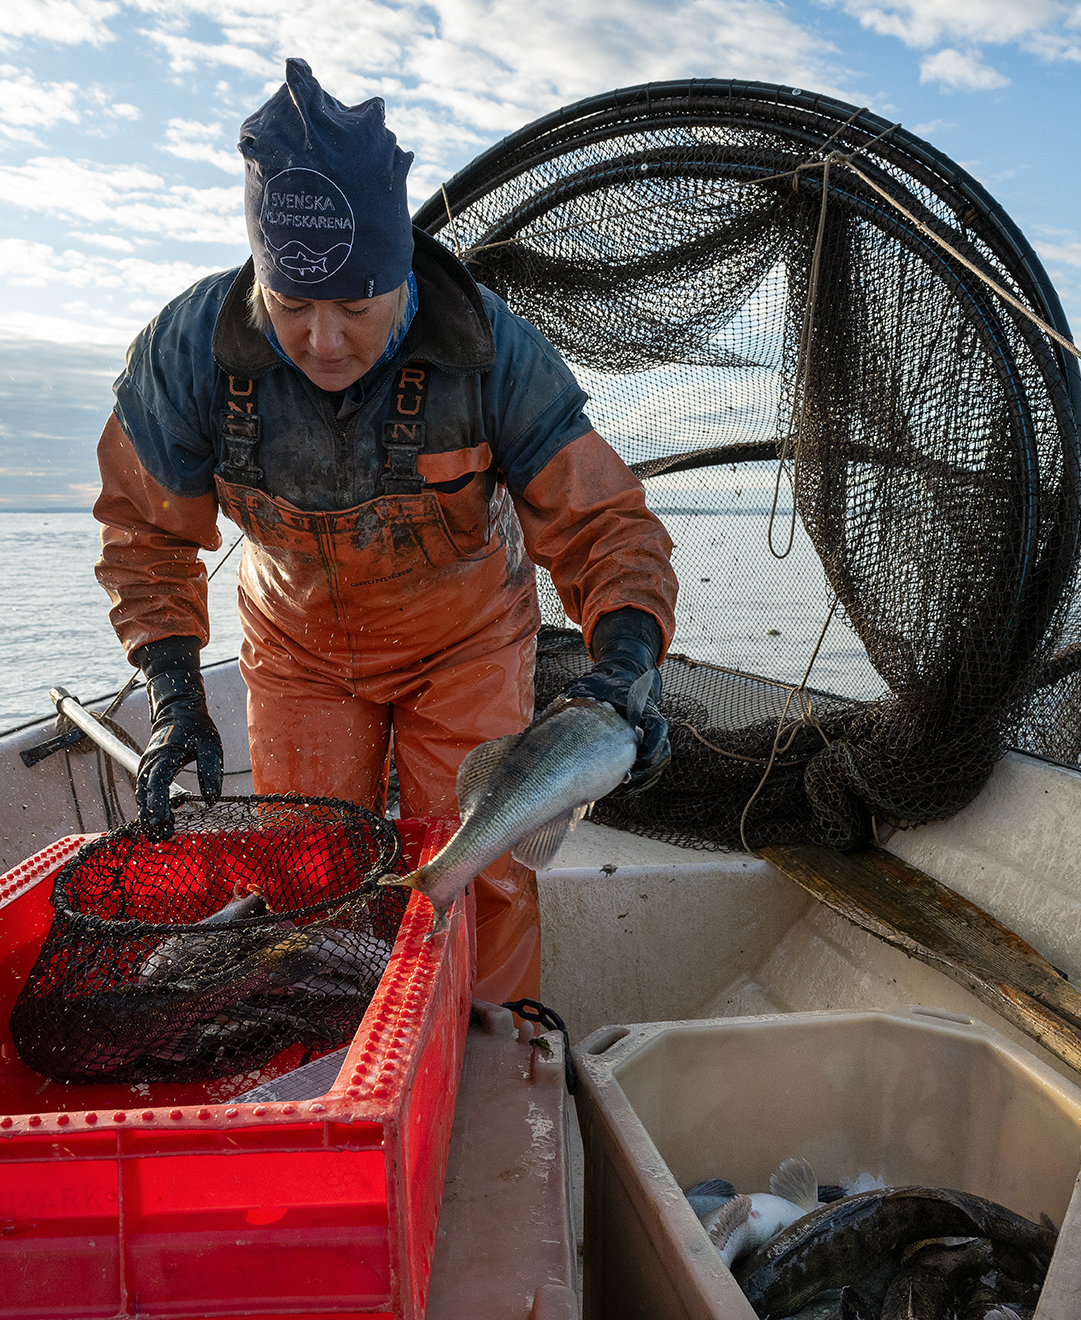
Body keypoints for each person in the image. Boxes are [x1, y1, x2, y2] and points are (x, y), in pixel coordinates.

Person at [93, 59, 677, 1002]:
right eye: (292, 306)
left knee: (480, 874)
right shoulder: (187, 350)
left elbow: (604, 526)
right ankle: (344, 1068)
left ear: (401, 275)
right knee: (304, 876)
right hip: (298, 653)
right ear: (258, 283)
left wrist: (628, 662)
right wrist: (170, 686)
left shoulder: (491, 350)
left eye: (354, 308)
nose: (324, 341)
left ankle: (493, 1045)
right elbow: (142, 532)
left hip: (467, 643)